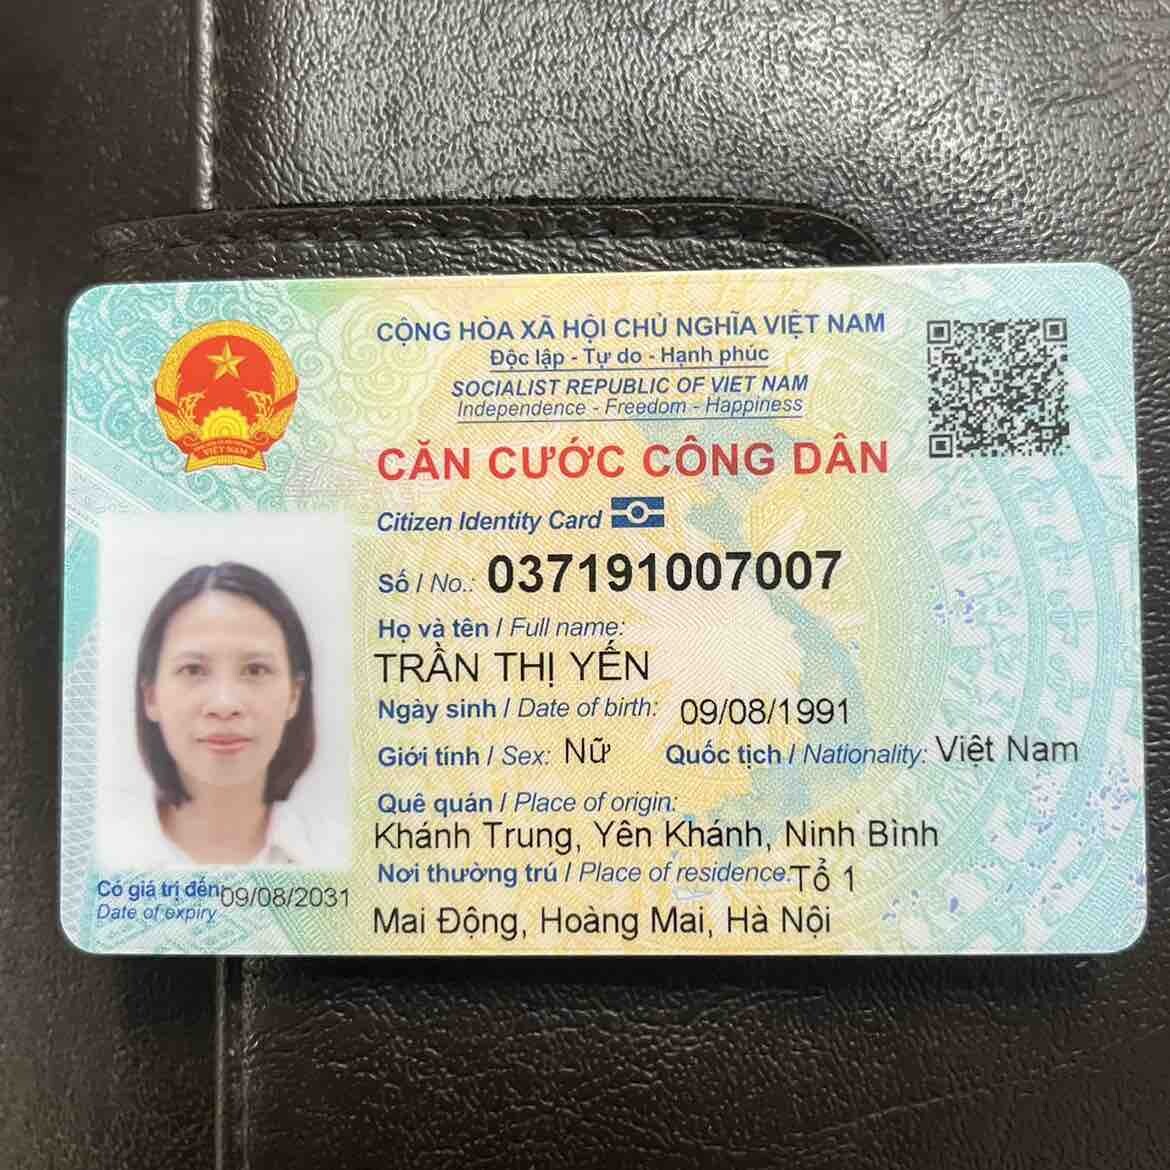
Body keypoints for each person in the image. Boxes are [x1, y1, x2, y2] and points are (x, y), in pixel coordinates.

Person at [130, 561, 319, 866]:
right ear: (150, 696)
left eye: (255, 670)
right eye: (193, 670)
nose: (224, 705)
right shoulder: (97, 858)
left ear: (294, 694)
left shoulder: (339, 858)